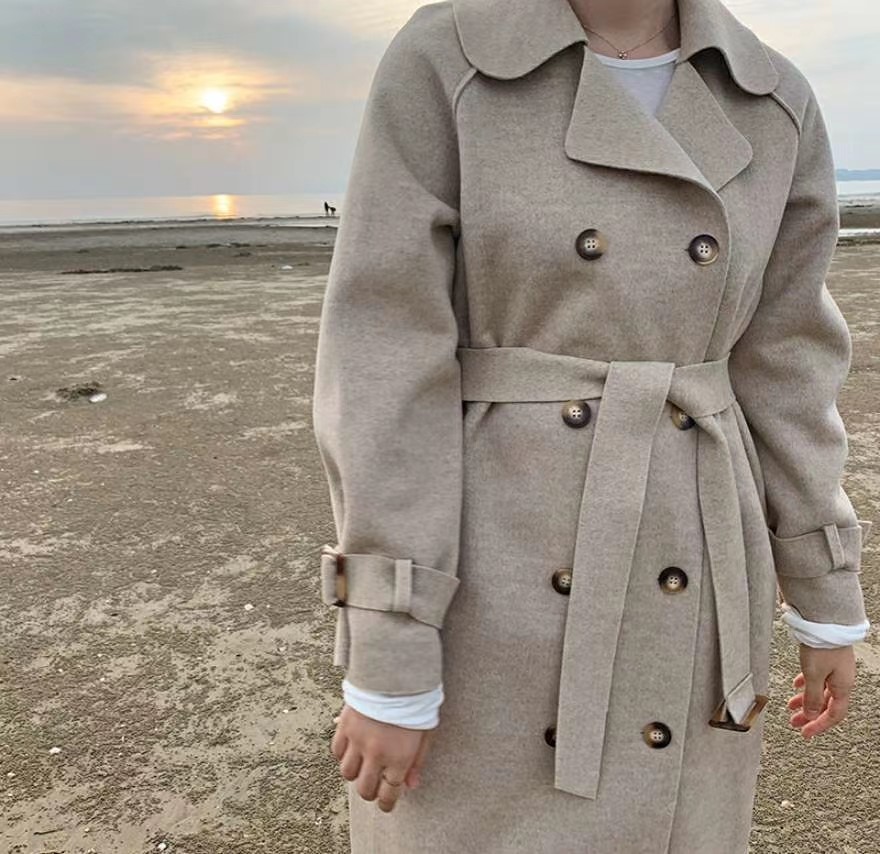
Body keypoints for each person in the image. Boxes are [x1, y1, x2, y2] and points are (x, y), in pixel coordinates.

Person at [311, 0, 873, 850]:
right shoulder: (450, 60)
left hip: (692, 562)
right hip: (492, 568)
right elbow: (384, 362)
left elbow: (788, 363)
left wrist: (825, 592)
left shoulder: (771, 99)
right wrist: (389, 649)